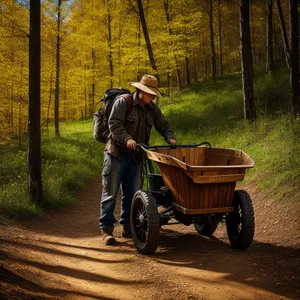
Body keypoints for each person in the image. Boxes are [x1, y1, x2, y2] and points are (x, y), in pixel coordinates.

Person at [99, 74, 176, 245]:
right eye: (150, 93)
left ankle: (127, 227)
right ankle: (106, 230)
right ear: (140, 91)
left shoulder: (152, 108)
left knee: (132, 194)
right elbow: (114, 124)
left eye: (154, 94)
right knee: (110, 193)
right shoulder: (123, 102)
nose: (152, 97)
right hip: (116, 154)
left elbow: (163, 124)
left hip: (136, 156)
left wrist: (170, 137)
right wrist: (127, 139)